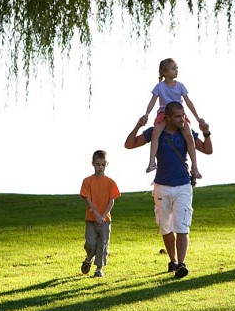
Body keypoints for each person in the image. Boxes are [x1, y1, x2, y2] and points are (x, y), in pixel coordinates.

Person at [125, 101, 212, 278]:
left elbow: (207, 150)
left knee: (182, 225)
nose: (182, 119)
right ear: (169, 117)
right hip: (161, 187)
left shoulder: (186, 132)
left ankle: (181, 263)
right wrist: (138, 125)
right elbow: (130, 144)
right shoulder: (156, 132)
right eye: (178, 116)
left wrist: (206, 132)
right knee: (165, 227)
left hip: (183, 186)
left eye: (183, 115)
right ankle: (172, 261)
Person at [142, 58, 205, 179]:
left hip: (179, 114)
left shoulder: (180, 86)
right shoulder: (159, 87)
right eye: (173, 68)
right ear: (165, 72)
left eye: (177, 68)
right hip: (163, 113)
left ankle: (195, 166)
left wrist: (197, 118)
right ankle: (152, 162)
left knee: (190, 138)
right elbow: (152, 102)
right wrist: (147, 114)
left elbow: (188, 102)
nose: (176, 70)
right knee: (155, 134)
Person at [79, 150, 121, 278]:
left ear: (106, 164)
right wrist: (96, 214)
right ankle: (88, 258)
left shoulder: (110, 183)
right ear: (93, 164)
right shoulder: (87, 181)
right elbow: (87, 199)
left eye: (103, 165)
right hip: (91, 219)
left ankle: (99, 269)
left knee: (103, 244)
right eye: (98, 164)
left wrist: (103, 216)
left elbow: (111, 201)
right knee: (91, 243)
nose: (100, 167)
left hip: (105, 220)